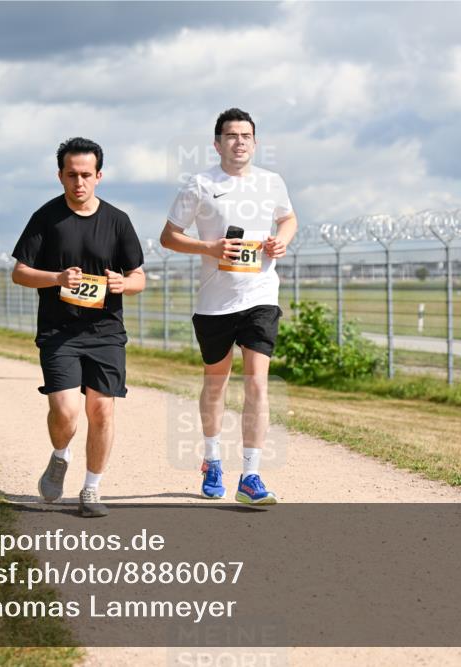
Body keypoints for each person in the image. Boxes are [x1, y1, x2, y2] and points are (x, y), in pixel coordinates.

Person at [160, 108, 297, 506]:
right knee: (215, 383)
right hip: (215, 302)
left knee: (257, 382)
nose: (239, 142)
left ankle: (251, 475)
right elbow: (169, 237)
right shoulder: (200, 185)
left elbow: (288, 218)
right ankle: (212, 460)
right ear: (217, 144)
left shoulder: (271, 182)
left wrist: (281, 240)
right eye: (231, 136)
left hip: (260, 296)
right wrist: (210, 248)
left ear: (255, 142)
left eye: (246, 136)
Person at [11, 137, 145, 518]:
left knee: (101, 410)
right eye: (72, 175)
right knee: (66, 412)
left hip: (106, 333)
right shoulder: (46, 218)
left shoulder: (118, 221)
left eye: (86, 174)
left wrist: (123, 283)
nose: (79, 182)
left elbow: (139, 277)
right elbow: (19, 272)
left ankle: (91, 489)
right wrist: (56, 278)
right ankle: (60, 455)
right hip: (60, 333)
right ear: (60, 176)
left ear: (99, 176)